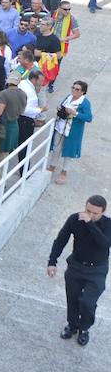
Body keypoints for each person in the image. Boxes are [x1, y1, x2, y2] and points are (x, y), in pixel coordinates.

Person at [50, 194, 111, 348]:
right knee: (73, 298)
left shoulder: (108, 224)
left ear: (103, 212)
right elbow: (61, 240)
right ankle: (72, 325)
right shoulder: (74, 219)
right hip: (76, 266)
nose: (89, 215)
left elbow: (104, 244)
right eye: (87, 210)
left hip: (97, 269)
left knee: (87, 302)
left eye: (94, 213)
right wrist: (52, 262)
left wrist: (90, 223)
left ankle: (84, 328)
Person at [50, 80, 92, 185]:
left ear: (83, 92)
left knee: (69, 152)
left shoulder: (84, 103)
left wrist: (75, 113)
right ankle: (52, 166)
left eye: (77, 89)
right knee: (56, 148)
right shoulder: (68, 97)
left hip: (73, 131)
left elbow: (89, 118)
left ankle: (64, 172)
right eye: (73, 88)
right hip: (61, 127)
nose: (74, 90)